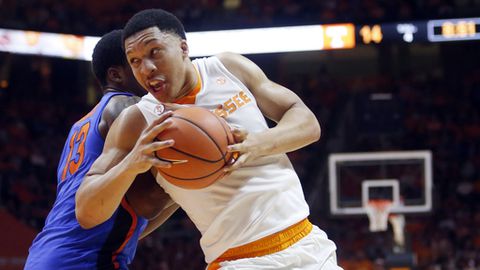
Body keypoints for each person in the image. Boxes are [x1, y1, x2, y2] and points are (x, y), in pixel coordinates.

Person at [82, 9, 342, 270]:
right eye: (135, 61)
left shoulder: (228, 68)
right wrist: (131, 165)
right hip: (238, 260)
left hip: (308, 243)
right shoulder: (137, 120)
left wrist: (257, 144)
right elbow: (86, 211)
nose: (146, 68)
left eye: (154, 52)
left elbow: (308, 123)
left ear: (183, 48)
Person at [25, 29, 178, 270]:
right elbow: (150, 199)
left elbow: (136, 224)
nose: (149, 70)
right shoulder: (127, 106)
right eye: (135, 63)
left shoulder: (81, 125)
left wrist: (186, 194)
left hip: (51, 254)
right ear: (116, 74)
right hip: (82, 259)